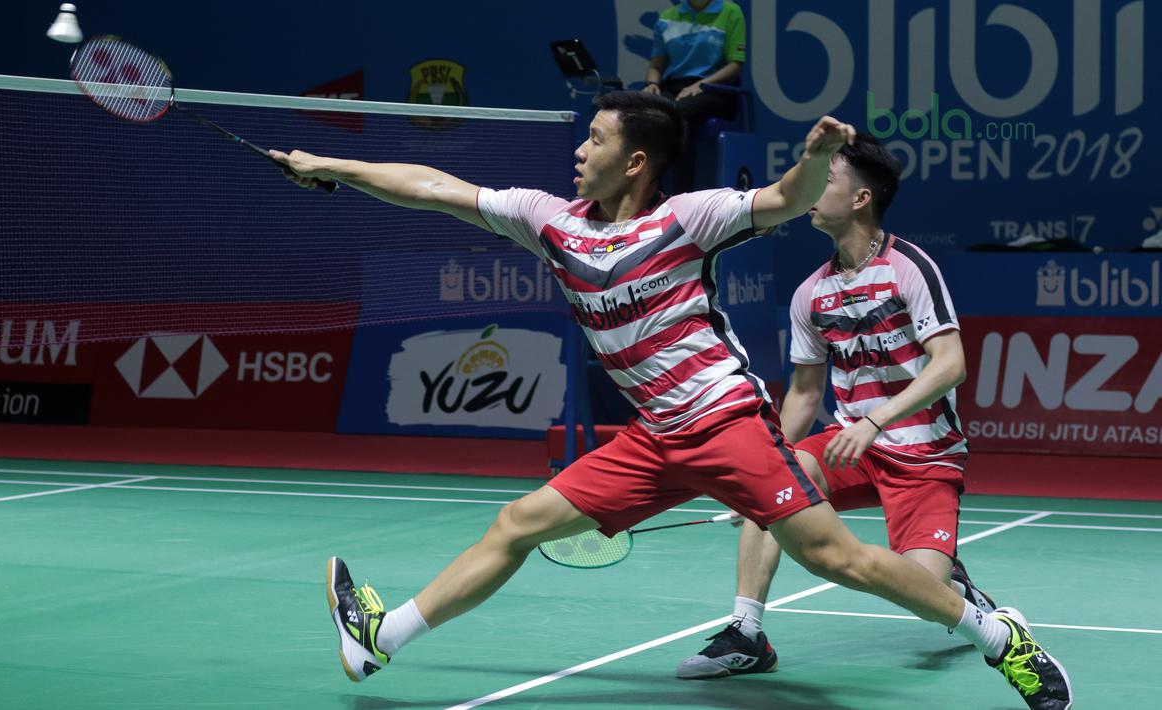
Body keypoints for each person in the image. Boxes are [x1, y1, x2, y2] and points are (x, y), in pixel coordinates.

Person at [269, 91, 1071, 709]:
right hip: (652, 438)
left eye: (594, 140)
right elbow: (436, 186)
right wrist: (334, 167)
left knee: (836, 558)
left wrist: (815, 157)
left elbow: (785, 201)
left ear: (636, 161)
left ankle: (997, 636)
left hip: (725, 424)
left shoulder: (687, 220)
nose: (577, 150)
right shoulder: (549, 221)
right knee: (517, 523)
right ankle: (380, 639)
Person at [676, 135, 1005, 683]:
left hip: (925, 454)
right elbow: (804, 395)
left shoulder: (909, 269)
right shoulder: (811, 293)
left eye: (826, 180)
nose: (812, 189)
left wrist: (877, 420)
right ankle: (747, 632)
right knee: (772, 477)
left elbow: (950, 364)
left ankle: (955, 587)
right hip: (852, 448)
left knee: (920, 590)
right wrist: (759, 465)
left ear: (860, 198)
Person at [643, 0, 746, 192]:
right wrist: (652, 84)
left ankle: (682, 195)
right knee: (647, 112)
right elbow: (656, 66)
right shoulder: (667, 18)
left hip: (717, 89)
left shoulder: (731, 11)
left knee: (678, 111)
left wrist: (700, 85)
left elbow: (735, 65)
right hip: (674, 86)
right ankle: (649, 193)